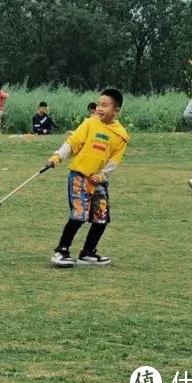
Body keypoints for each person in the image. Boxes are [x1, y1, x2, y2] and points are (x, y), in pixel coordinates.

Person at [46, 89, 129, 268]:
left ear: (116, 111)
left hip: (98, 181)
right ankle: (61, 251)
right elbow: (72, 143)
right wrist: (57, 157)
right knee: (78, 215)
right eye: (98, 104)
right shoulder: (89, 124)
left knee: (101, 217)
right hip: (79, 177)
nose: (99, 108)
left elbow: (115, 161)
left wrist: (102, 175)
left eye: (104, 106)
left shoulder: (121, 135)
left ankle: (88, 253)